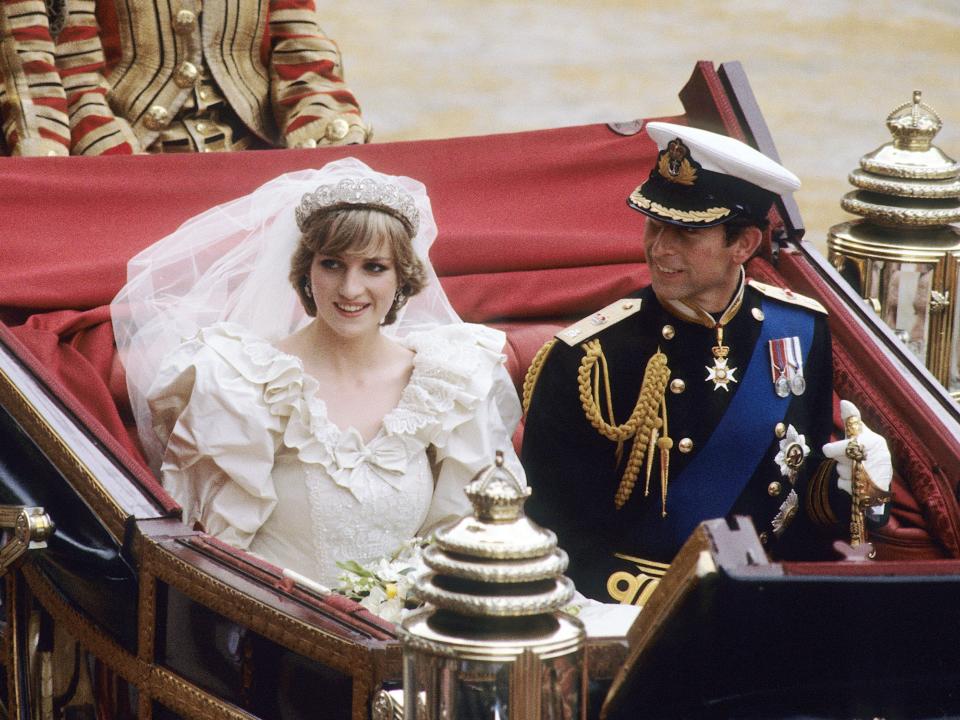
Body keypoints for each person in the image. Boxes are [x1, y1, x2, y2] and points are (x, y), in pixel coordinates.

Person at [521, 123, 893, 604]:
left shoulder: (801, 329)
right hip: (634, 612)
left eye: (685, 233)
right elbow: (554, 535)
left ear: (743, 244)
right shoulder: (590, 358)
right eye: (654, 225)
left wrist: (853, 485)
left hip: (767, 596)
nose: (659, 249)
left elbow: (794, 497)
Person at [111, 158, 524, 586]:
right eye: (332, 264)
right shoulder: (240, 382)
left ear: (403, 277)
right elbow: (216, 559)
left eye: (374, 267)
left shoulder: (447, 380)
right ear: (306, 271)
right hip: (274, 633)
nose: (350, 289)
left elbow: (466, 540)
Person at [1, 0, 368, 155]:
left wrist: (330, 142)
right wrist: (122, 173)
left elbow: (299, 46)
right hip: (126, 164)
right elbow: (74, 77)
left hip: (255, 165)